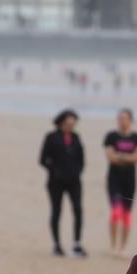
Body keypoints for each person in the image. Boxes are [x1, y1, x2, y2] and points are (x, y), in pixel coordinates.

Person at [39, 109, 87, 257]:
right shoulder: (51, 137)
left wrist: (77, 171)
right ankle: (57, 245)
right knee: (56, 211)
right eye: (69, 122)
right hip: (55, 182)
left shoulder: (76, 137)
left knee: (78, 210)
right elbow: (42, 159)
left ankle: (77, 244)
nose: (72, 125)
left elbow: (81, 159)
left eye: (74, 122)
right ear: (61, 122)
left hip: (74, 181)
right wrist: (54, 170)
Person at [104, 109, 137, 257]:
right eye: (119, 118)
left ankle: (123, 247)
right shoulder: (111, 136)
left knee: (127, 214)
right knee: (116, 212)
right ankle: (113, 245)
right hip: (113, 179)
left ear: (131, 120)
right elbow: (111, 157)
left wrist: (121, 156)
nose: (122, 121)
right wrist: (128, 157)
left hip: (130, 180)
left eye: (125, 118)